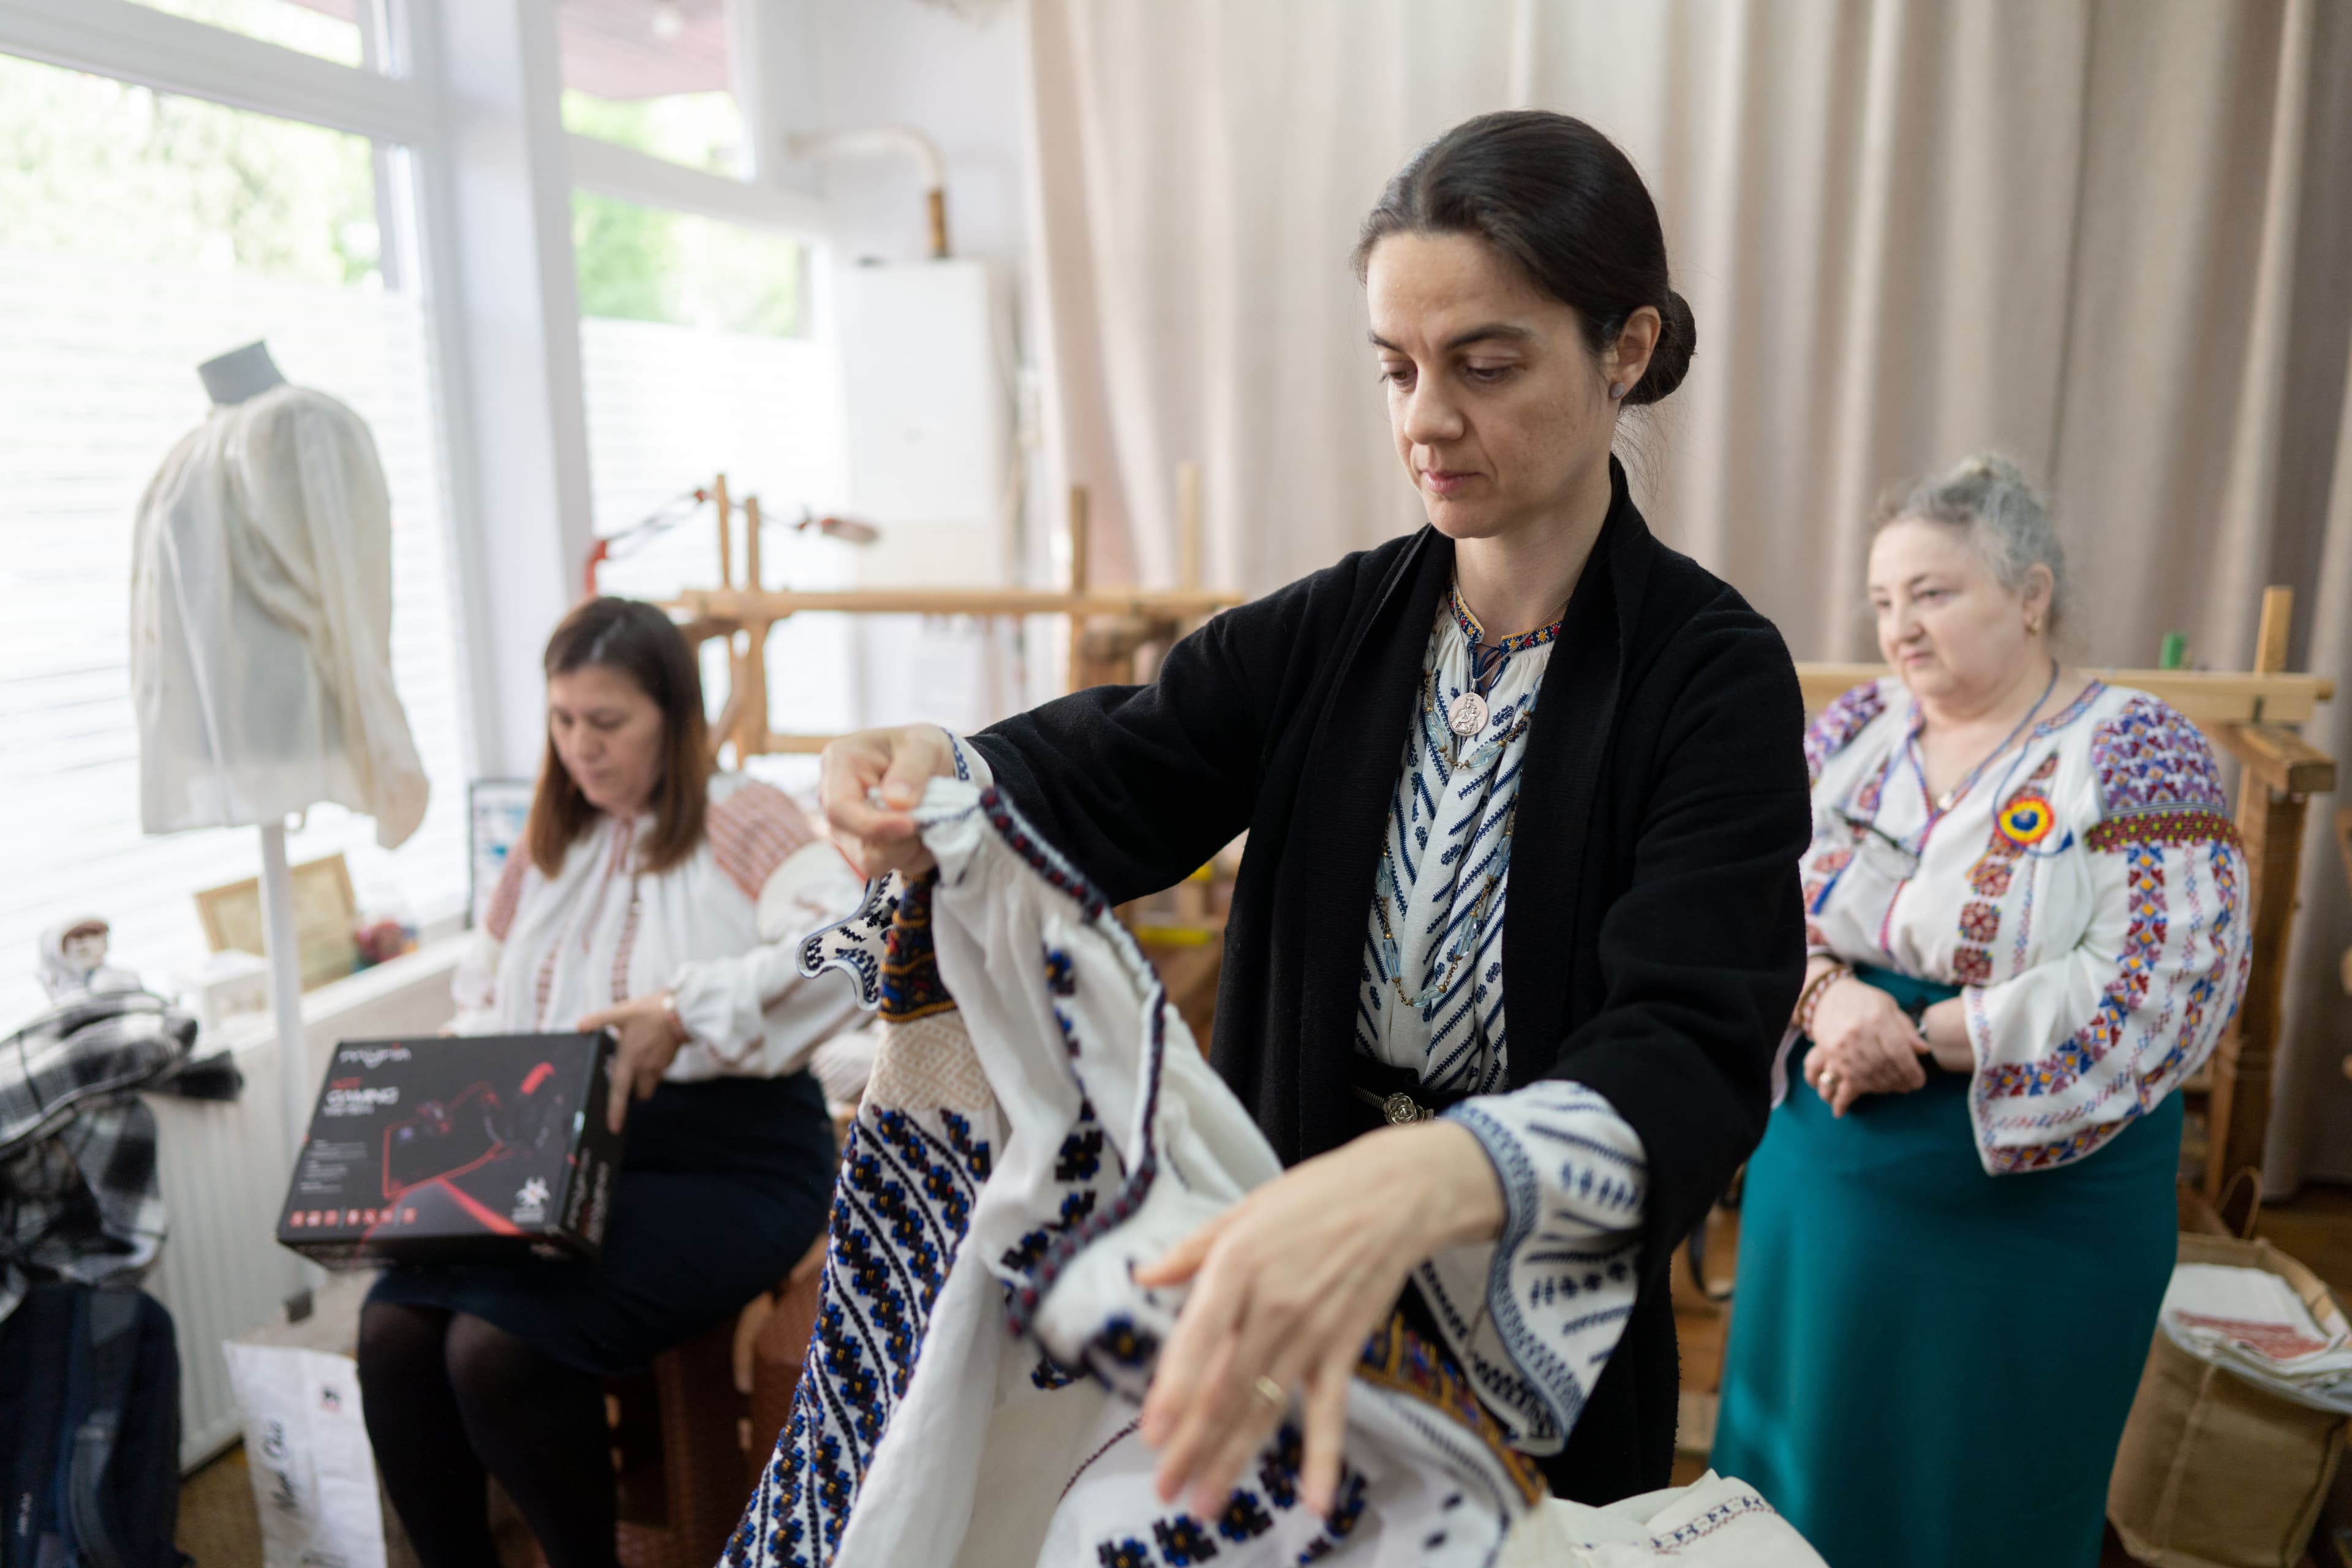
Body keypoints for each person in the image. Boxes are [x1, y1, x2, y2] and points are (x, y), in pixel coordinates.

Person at [821, 110, 1811, 1520]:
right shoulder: (1334, 631)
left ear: (1628, 348)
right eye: (1398, 369)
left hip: (1539, 1331)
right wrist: (937, 771)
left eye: (1484, 363)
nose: (1424, 418)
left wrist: (1439, 1171)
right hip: (1278, 1301)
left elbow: (1695, 1037)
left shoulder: (1708, 674)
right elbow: (1126, 763)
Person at [1707, 455, 2254, 1568]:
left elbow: (2162, 978)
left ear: (2032, 595)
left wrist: (1923, 1033)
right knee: (1806, 1456)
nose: (1901, 628)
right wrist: (1828, 994)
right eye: (1883, 601)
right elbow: (1751, 892)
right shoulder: (1849, 730)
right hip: (1830, 1146)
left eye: (1933, 593)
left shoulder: (2136, 749)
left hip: (2039, 1199)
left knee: (1989, 1484)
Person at [356, 597, 864, 1568]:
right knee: (391, 1331)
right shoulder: (546, 849)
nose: (580, 749)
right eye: (562, 721)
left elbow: (850, 952)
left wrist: (682, 1011)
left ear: (672, 715)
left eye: (607, 722)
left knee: (490, 1348)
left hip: (731, 1159)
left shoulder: (740, 817)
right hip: (557, 1157)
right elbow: (484, 1000)